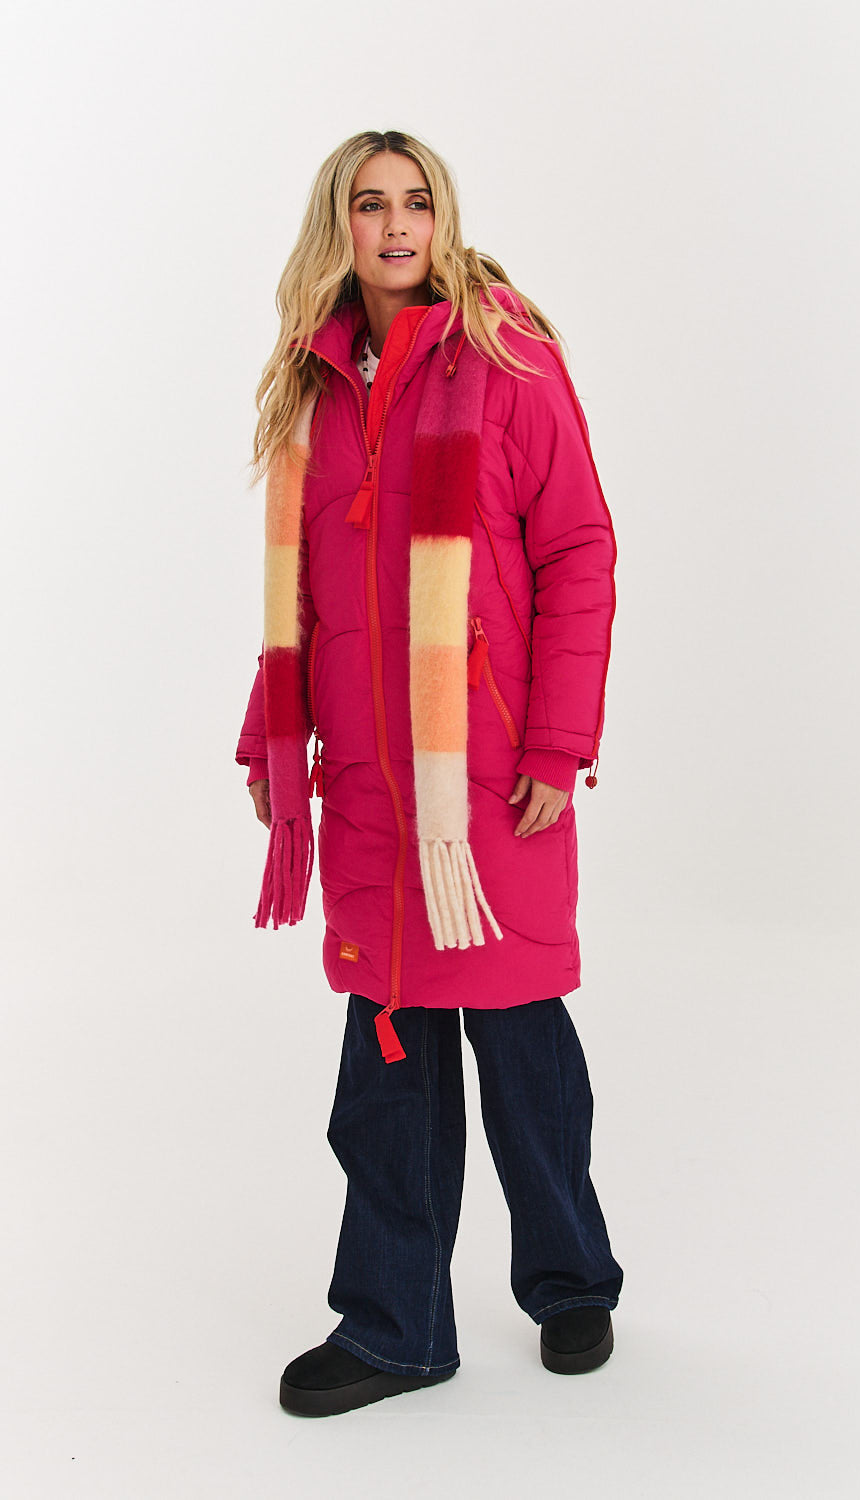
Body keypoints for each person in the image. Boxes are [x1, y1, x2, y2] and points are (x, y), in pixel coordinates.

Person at [234, 129, 623, 1418]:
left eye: (417, 201)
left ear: (442, 217)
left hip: (490, 782)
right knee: (387, 1071)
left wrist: (559, 741)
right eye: (371, 203)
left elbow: (577, 549)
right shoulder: (313, 385)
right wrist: (269, 732)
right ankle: (397, 1327)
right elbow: (305, 594)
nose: (397, 224)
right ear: (336, 225)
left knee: (520, 1044)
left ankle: (570, 1281)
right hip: (366, 787)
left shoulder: (507, 356)